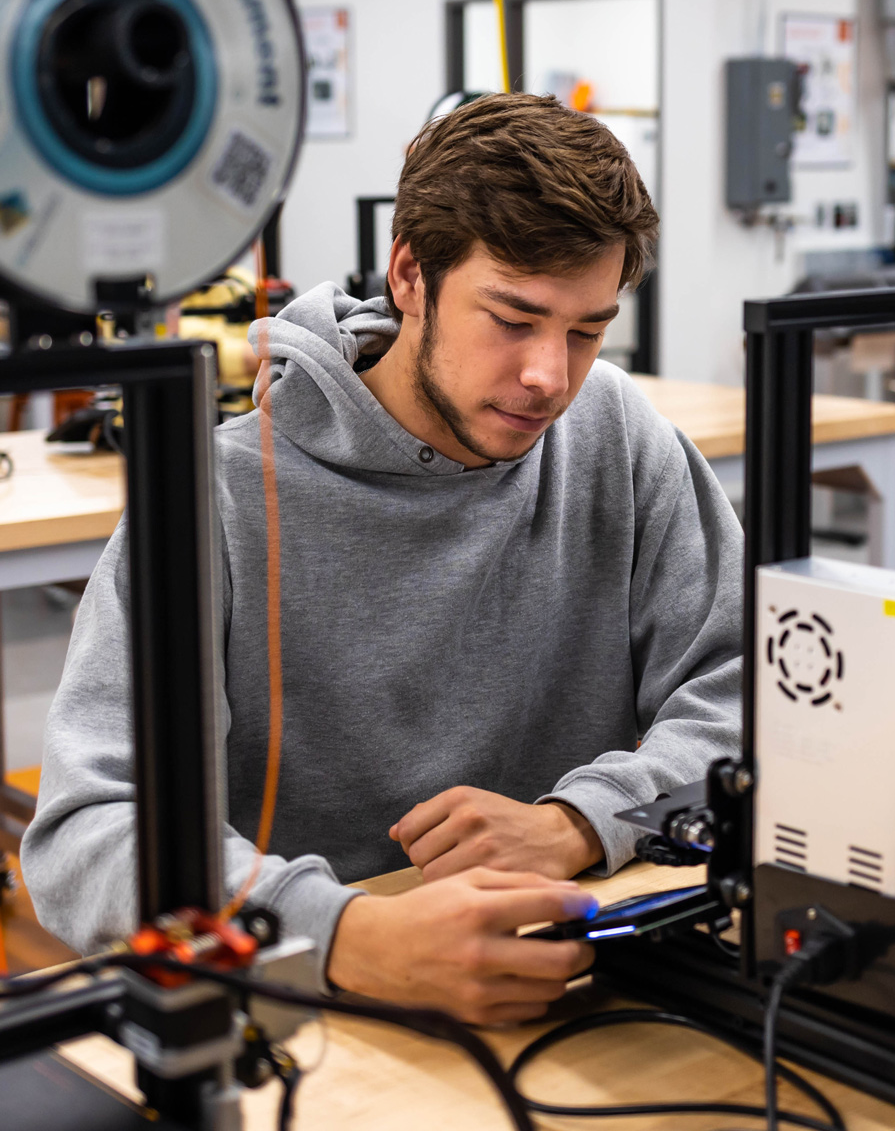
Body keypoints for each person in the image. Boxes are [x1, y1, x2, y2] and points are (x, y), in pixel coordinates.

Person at [22, 93, 743, 1026]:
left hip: (564, 983)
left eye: (585, 329)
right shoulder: (220, 497)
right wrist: (347, 936)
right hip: (309, 1017)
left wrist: (583, 821)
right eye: (513, 318)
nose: (549, 377)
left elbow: (754, 692)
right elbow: (85, 834)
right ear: (410, 273)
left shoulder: (617, 435)